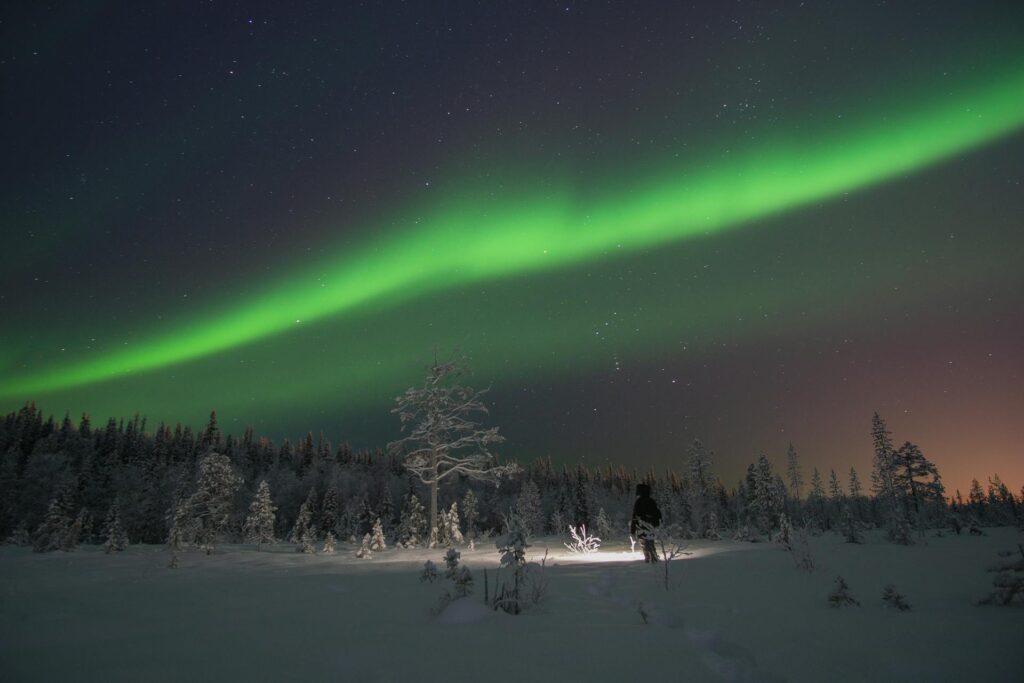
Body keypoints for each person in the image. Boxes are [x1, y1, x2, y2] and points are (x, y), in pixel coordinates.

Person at [630, 483, 661, 562]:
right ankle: (653, 559)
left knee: (645, 543)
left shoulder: (639, 502)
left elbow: (635, 515)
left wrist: (633, 528)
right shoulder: (651, 501)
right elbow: (657, 513)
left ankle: (649, 559)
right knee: (649, 542)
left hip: (642, 526)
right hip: (649, 526)